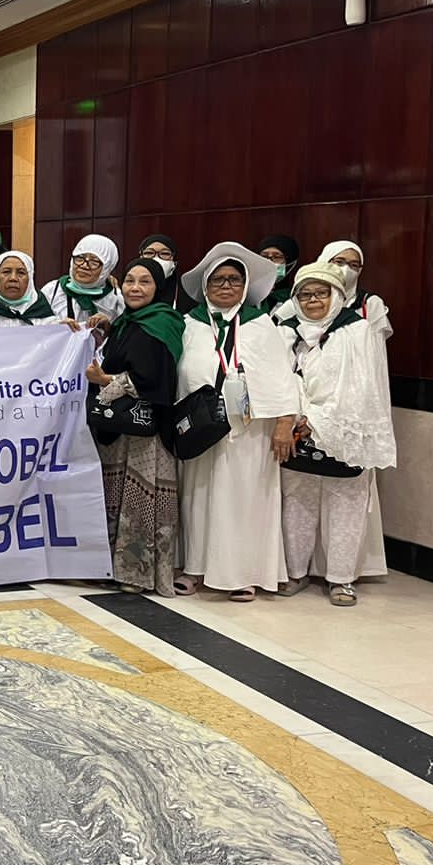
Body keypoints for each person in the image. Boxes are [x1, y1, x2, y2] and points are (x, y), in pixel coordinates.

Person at [176, 243, 301, 602]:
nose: (226, 286)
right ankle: (195, 568)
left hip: (251, 431)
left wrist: (285, 423)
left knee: (246, 501)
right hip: (203, 427)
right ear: (205, 285)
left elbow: (282, 376)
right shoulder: (190, 324)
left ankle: (244, 574)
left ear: (245, 286)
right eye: (218, 279)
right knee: (199, 500)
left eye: (234, 279)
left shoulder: (261, 325)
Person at [276, 262, 396, 606]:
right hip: (295, 432)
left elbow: (365, 387)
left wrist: (317, 420)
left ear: (337, 295)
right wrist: (296, 416)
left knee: (345, 508)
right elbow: (279, 379)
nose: (313, 300)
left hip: (344, 433)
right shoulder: (286, 332)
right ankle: (296, 572)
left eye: (321, 293)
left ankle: (341, 579)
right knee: (296, 505)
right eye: (305, 294)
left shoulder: (357, 331)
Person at [87, 257, 185, 596]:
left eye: (145, 282)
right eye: (130, 281)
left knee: (140, 497)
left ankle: (137, 574)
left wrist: (104, 380)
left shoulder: (163, 323)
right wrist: (107, 330)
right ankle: (111, 568)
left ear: (159, 288)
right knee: (116, 495)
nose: (135, 288)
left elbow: (155, 379)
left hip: (147, 431)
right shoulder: (128, 322)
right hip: (118, 427)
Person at [316, 240, 393, 339]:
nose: (346, 269)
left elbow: (377, 346)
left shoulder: (370, 304)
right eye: (339, 262)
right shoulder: (305, 301)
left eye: (354, 265)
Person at [42, 234, 125, 323]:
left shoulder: (114, 299)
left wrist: (108, 326)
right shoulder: (52, 290)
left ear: (106, 268)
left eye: (94, 262)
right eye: (80, 258)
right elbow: (36, 324)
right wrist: (56, 325)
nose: (84, 265)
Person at [0, 250, 56, 327]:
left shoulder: (48, 320)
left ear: (30, 279)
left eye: (21, 273)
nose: (13, 278)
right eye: (6, 272)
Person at [258, 235, 300, 310]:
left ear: (290, 262)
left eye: (277, 257)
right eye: (264, 256)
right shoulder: (249, 295)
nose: (269, 261)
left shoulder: (297, 298)